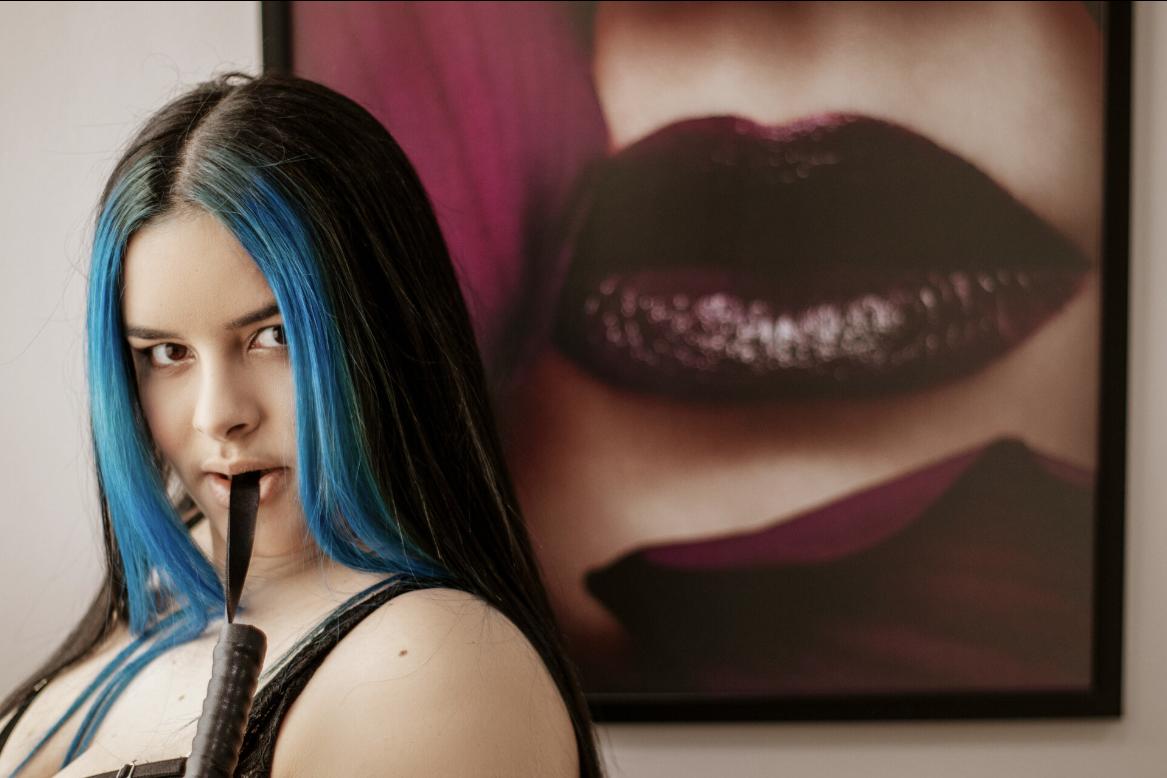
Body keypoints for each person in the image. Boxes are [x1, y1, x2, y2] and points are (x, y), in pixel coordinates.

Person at [0, 72, 602, 777]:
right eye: (166, 353)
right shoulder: (161, 584)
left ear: (387, 335)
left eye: (275, 336)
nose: (219, 415)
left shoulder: (429, 667)